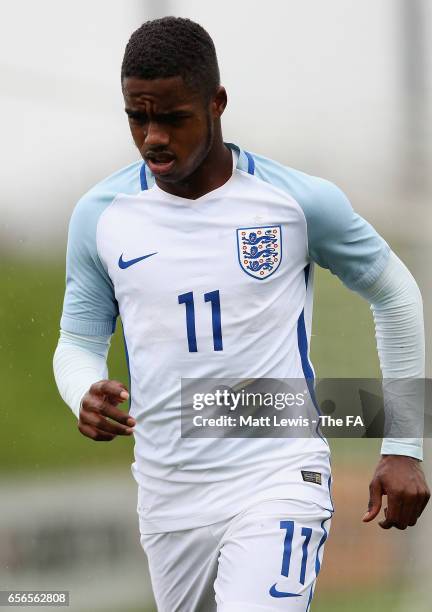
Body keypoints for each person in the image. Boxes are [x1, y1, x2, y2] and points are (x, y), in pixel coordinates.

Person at [53, 16, 430, 612]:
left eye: (172, 118)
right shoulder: (101, 216)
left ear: (216, 103)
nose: (152, 136)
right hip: (168, 496)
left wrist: (405, 443)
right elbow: (76, 341)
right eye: (136, 117)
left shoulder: (297, 202)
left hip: (277, 474)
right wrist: (82, 391)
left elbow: (397, 296)